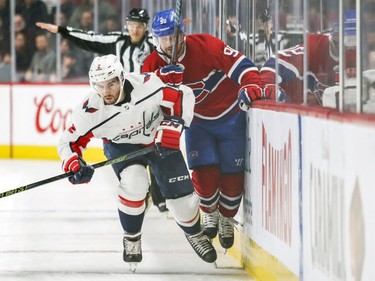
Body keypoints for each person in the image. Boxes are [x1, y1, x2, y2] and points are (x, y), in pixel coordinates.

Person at [57, 54, 217, 269]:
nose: (106, 91)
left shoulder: (147, 85)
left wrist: (175, 123)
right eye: (100, 85)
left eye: (111, 83)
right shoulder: (90, 110)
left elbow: (183, 96)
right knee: (134, 182)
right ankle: (132, 236)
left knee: (183, 203)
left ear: (122, 78)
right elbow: (68, 142)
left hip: (157, 140)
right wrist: (74, 164)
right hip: (121, 146)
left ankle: (195, 233)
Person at [142, 9, 263, 250]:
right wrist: (159, 81)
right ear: (156, 40)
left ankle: (227, 218)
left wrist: (252, 85)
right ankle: (209, 211)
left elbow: (242, 65)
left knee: (232, 172)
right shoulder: (153, 63)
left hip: (230, 116)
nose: (168, 44)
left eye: (172, 37)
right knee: (204, 174)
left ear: (182, 35)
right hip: (197, 123)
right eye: (163, 39)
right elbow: (143, 102)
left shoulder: (206, 46)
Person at [36, 8, 167, 212]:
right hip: (120, 103)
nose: (135, 29)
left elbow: (170, 50)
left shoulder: (154, 43)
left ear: (145, 27)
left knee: (156, 146)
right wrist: (63, 30)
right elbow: (90, 39)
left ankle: (160, 197)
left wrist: (174, 33)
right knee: (131, 155)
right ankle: (143, 193)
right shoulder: (118, 41)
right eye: (132, 25)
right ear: (126, 25)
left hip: (146, 101)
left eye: (139, 25)